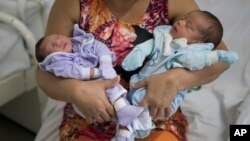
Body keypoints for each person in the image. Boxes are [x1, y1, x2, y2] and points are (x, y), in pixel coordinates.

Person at [35, 0, 231, 141]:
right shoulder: (72, 4)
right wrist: (77, 91)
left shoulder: (174, 4)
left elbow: (222, 57)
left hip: (154, 116)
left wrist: (176, 79)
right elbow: (44, 71)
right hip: (91, 117)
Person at [121, 10, 238, 139]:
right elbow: (151, 47)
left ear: (196, 43)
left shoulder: (191, 52)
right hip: (130, 89)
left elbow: (206, 60)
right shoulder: (163, 36)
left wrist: (219, 55)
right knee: (128, 107)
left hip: (161, 105)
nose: (180, 22)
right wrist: (140, 52)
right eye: (183, 18)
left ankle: (136, 125)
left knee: (142, 110)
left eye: (188, 25)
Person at [36, 24, 145, 140]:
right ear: (50, 58)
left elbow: (99, 47)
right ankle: (124, 119)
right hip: (89, 97)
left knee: (114, 92)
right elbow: (75, 71)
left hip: (126, 89)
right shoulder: (60, 63)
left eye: (57, 36)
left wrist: (105, 62)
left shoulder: (82, 42)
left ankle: (124, 131)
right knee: (111, 91)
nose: (57, 41)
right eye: (52, 47)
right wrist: (98, 72)